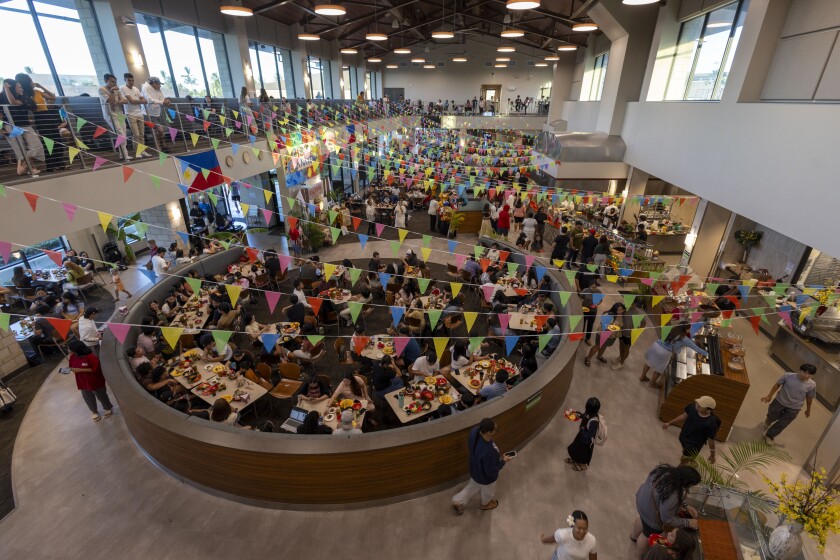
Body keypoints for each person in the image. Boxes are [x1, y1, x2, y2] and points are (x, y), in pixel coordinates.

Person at [631, 465, 701, 560]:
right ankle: (637, 557)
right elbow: (667, 520)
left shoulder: (663, 471)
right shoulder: (673, 494)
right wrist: (689, 522)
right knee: (647, 535)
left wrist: (686, 506)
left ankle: (634, 536)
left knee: (642, 520)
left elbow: (664, 495)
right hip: (652, 514)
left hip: (642, 501)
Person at [451, 418, 513, 514]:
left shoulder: (474, 431)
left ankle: (458, 501)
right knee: (488, 492)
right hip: (485, 478)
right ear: (488, 432)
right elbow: (491, 470)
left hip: (475, 468)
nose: (496, 430)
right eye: (495, 430)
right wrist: (503, 461)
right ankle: (486, 504)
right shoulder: (488, 451)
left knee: (472, 486)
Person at [760, 363, 817, 445]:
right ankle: (768, 422)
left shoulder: (812, 385)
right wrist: (769, 396)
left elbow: (809, 397)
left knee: (783, 423)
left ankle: (769, 435)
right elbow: (777, 384)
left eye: (810, 374)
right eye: (805, 373)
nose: (807, 376)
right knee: (772, 415)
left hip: (795, 407)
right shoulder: (788, 376)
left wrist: (808, 410)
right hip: (780, 401)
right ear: (800, 370)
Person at [640, 322, 708, 389]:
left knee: (648, 362)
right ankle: (652, 383)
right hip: (664, 352)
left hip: (656, 345)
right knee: (658, 369)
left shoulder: (671, 328)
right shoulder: (684, 338)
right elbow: (696, 349)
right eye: (689, 329)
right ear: (685, 329)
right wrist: (707, 353)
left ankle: (642, 377)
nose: (690, 330)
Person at [2, 78, 44, 176]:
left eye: (21, 87)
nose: (21, 89)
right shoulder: (2, 97)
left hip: (25, 125)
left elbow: (13, 102)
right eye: (19, 87)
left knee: (37, 147)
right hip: (10, 125)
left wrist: (7, 89)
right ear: (13, 88)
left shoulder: (23, 97)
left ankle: (23, 165)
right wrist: (1, 129)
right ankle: (30, 168)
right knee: (19, 148)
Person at [663, 396, 720, 465]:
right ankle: (691, 458)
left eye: (700, 405)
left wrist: (712, 455)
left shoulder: (711, 423)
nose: (697, 405)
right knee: (685, 452)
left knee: (683, 462)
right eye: (697, 403)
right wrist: (669, 423)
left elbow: (711, 440)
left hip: (694, 444)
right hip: (683, 436)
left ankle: (677, 472)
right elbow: (684, 416)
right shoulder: (692, 407)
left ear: (708, 410)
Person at [68, 341, 114, 422]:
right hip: (82, 381)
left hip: (95, 380)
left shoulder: (90, 357)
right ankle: (94, 412)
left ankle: (107, 408)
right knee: (87, 397)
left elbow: (95, 369)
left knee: (101, 395)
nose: (69, 350)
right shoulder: (72, 357)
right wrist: (72, 370)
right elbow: (71, 366)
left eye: (70, 349)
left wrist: (79, 370)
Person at [584, 303, 625, 367]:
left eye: (622, 310)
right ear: (614, 309)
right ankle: (588, 358)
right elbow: (604, 326)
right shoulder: (608, 315)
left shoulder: (619, 315)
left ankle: (599, 356)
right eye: (619, 310)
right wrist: (610, 329)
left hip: (611, 336)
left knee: (604, 345)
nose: (621, 311)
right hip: (603, 334)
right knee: (597, 346)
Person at [120, 73, 151, 158]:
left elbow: (144, 100)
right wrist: (140, 101)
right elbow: (132, 101)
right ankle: (137, 152)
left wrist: (138, 101)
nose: (131, 82)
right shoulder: (123, 88)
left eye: (132, 80)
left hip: (139, 113)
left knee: (141, 134)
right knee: (136, 134)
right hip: (130, 114)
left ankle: (142, 151)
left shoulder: (136, 88)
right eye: (129, 80)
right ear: (125, 80)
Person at [566, 397, 601, 471]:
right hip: (581, 436)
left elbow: (590, 434)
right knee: (575, 447)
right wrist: (577, 414)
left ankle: (583, 465)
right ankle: (575, 459)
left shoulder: (594, 421)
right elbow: (585, 416)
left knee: (582, 453)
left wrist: (582, 430)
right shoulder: (589, 413)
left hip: (586, 441)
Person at [142, 76, 171, 151]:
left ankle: (161, 145)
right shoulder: (146, 87)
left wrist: (166, 101)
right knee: (160, 129)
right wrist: (162, 102)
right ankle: (159, 145)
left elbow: (162, 98)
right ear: (154, 83)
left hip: (157, 112)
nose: (160, 86)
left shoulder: (158, 89)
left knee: (158, 131)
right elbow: (149, 99)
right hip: (148, 113)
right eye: (159, 84)